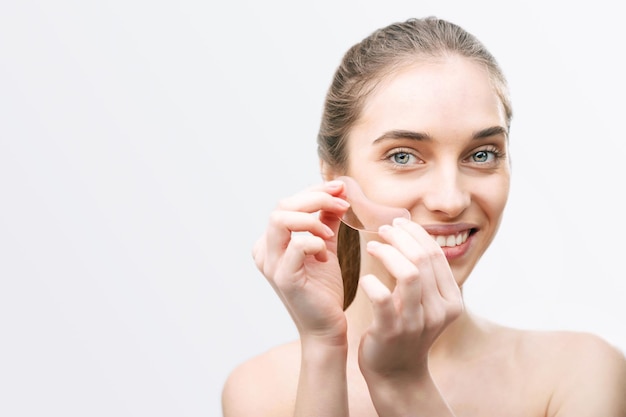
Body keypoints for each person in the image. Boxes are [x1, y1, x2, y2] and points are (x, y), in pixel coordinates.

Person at [222, 17, 626, 416]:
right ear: (335, 178)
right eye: (403, 156)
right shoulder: (261, 390)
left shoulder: (581, 374)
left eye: (482, 154)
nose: (450, 200)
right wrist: (324, 346)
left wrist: (402, 382)